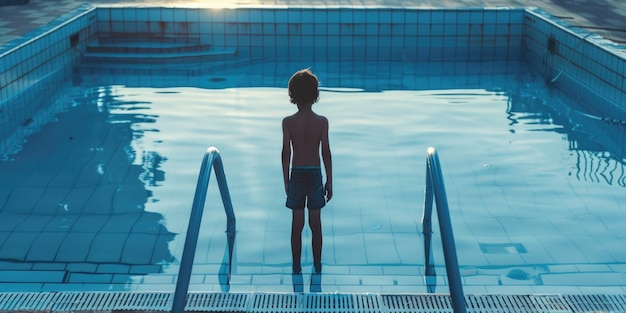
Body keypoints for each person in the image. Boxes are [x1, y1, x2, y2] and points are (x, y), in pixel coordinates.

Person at [282, 68, 333, 274]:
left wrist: (286, 181)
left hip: (296, 174)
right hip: (314, 174)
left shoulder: (288, 122)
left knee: (297, 224)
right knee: (315, 224)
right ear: (315, 95)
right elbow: (326, 153)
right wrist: (329, 180)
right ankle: (317, 265)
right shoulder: (322, 122)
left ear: (292, 94)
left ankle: (296, 266)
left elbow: (285, 153)